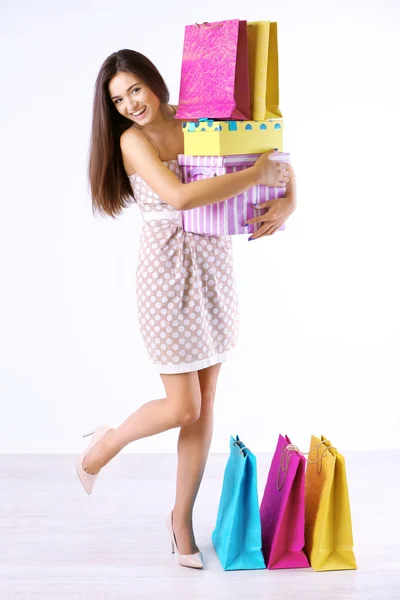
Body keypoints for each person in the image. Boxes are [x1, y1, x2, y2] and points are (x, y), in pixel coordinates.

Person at [76, 49, 297, 570]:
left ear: (154, 82)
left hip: (213, 265)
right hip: (166, 276)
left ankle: (180, 521)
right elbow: (178, 196)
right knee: (183, 406)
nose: (130, 104)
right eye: (118, 99)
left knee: (207, 397)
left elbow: (269, 147)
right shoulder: (133, 141)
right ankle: (104, 445)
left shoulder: (197, 118)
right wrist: (258, 175)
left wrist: (288, 197)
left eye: (135, 89)